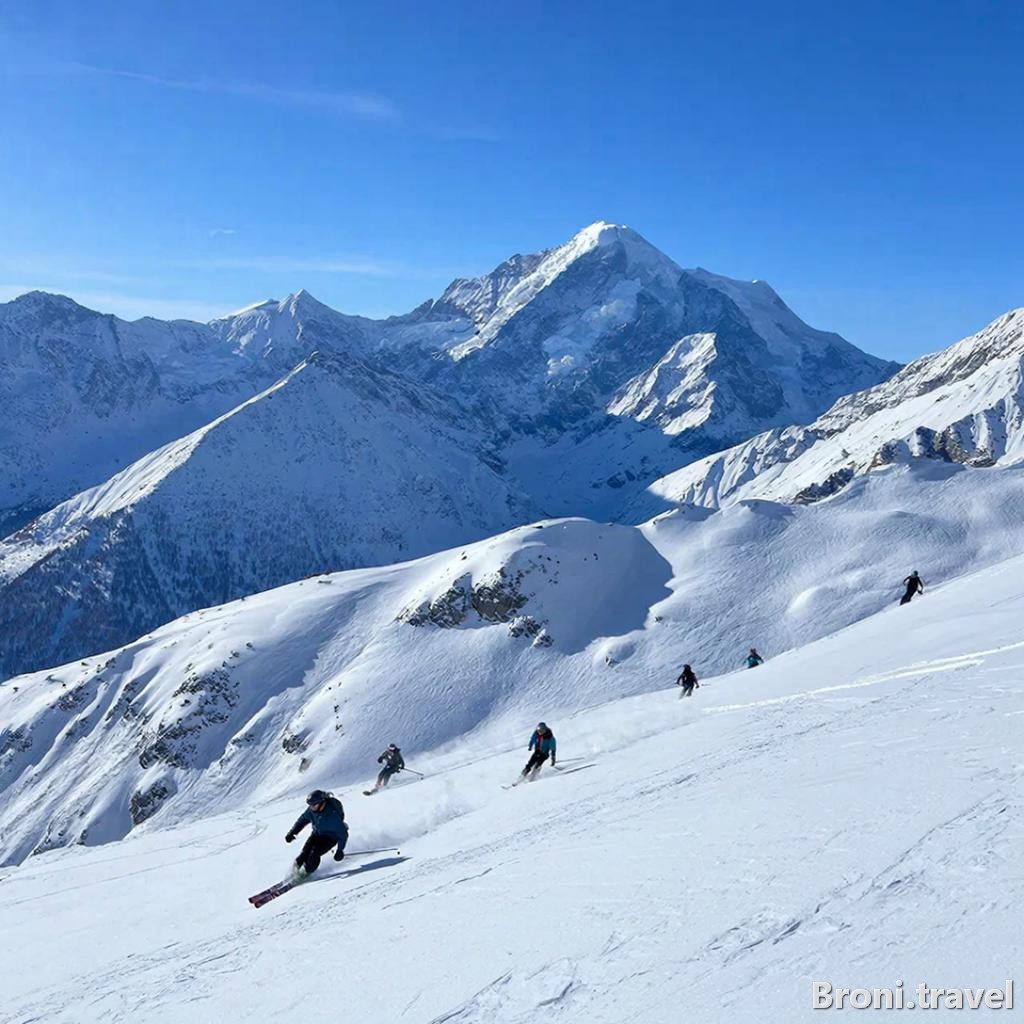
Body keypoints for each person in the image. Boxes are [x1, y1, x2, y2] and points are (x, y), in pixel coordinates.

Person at [285, 789, 348, 878]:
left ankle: (306, 872)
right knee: (304, 853)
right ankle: (293, 872)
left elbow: (343, 834)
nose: (311, 807)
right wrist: (292, 833)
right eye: (310, 805)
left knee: (314, 854)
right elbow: (302, 820)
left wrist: (340, 851)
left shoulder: (332, 816)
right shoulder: (312, 810)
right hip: (316, 834)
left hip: (330, 838)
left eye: (314, 805)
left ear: (322, 803)